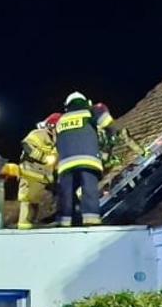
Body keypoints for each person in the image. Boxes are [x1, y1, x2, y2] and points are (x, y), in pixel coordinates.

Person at [49, 92, 120, 227]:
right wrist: (112, 137)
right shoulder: (90, 112)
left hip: (65, 163)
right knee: (89, 189)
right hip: (88, 159)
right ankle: (91, 219)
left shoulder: (61, 120)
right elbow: (108, 125)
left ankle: (64, 221)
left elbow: (56, 142)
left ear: (67, 105)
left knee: (66, 192)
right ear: (84, 102)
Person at [14, 122, 60, 230]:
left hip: (41, 177)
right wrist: (42, 157)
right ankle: (24, 226)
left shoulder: (55, 141)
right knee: (28, 200)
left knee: (35, 201)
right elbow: (26, 145)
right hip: (30, 173)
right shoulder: (40, 133)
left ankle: (29, 226)